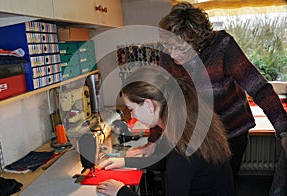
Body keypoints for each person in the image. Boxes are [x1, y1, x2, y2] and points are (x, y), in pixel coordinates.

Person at [126, 2, 287, 182]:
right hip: (192, 134)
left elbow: (259, 88)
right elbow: (162, 102)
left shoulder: (223, 47)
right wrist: (154, 142)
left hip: (230, 133)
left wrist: (284, 131)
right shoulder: (168, 56)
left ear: (199, 42)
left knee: (222, 185)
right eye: (168, 46)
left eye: (180, 48)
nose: (172, 54)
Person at [96, 66, 234, 196]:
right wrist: (126, 162)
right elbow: (166, 163)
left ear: (149, 104)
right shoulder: (184, 125)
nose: (132, 116)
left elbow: (176, 165)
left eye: (131, 109)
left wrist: (121, 192)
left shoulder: (183, 148)